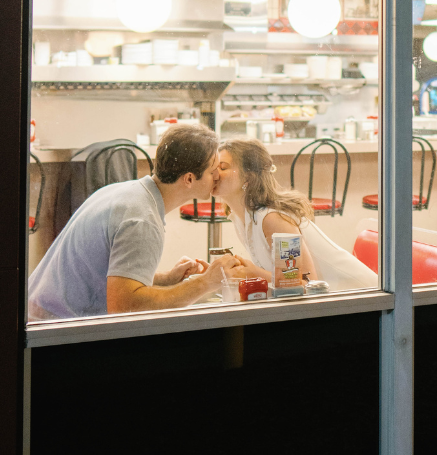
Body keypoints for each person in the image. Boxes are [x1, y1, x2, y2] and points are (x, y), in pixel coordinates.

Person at [28, 124, 244, 319]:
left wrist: (166, 279)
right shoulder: (141, 220)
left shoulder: (127, 192)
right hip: (55, 334)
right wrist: (206, 282)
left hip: (37, 315)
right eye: (212, 170)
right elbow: (124, 306)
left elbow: (112, 277)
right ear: (189, 179)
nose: (217, 176)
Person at [214, 139, 376, 290]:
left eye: (223, 167)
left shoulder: (272, 219)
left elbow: (306, 284)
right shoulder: (238, 218)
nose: (214, 174)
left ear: (248, 177)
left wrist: (253, 274)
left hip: (360, 298)